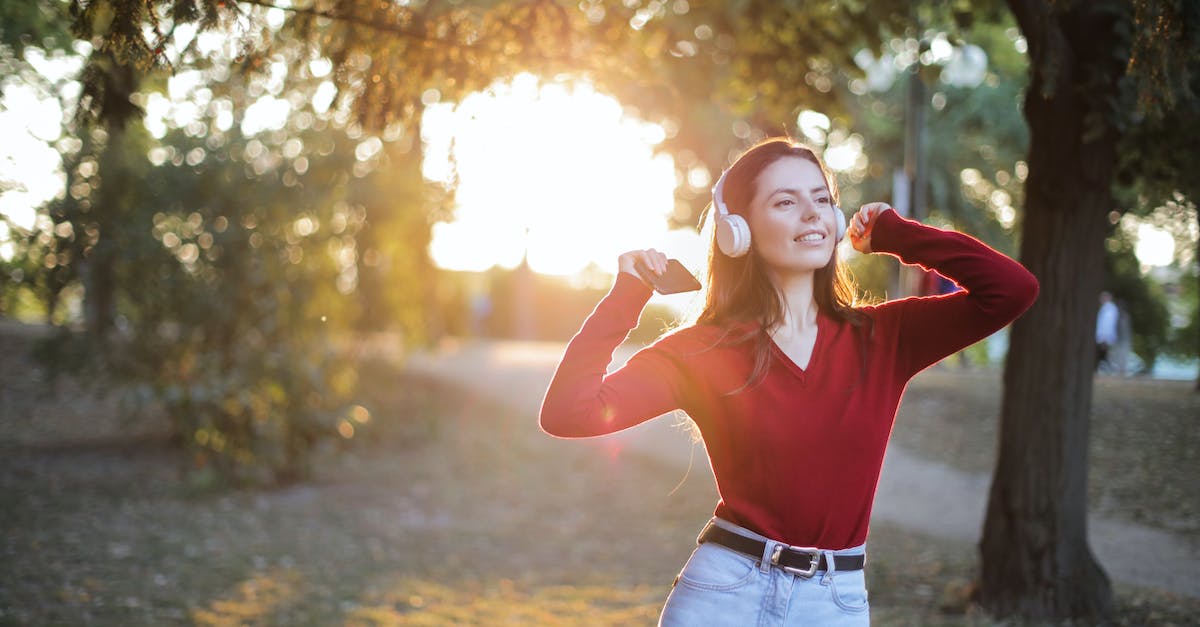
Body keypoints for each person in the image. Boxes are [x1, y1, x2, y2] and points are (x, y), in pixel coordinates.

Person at [539, 138, 1038, 626]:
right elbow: (568, 412)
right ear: (739, 230)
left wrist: (898, 235)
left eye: (822, 199)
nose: (812, 214)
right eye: (786, 201)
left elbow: (1013, 289)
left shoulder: (885, 338)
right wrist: (626, 296)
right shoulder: (702, 350)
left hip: (834, 603)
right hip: (723, 595)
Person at [1095, 291, 1119, 373]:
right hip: (1103, 336)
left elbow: (1107, 324)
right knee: (1103, 355)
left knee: (1104, 354)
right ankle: (1105, 369)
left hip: (1104, 336)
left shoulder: (1109, 309)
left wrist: (1104, 336)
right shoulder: (1105, 308)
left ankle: (1107, 369)